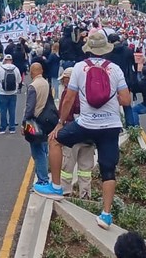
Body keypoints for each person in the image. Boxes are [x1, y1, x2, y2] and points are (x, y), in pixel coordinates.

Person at [37, 30, 132, 232]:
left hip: (86, 123)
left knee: (54, 140)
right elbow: (126, 100)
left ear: (88, 49)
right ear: (106, 50)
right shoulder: (115, 69)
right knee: (108, 170)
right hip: (110, 126)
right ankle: (106, 215)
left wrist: (61, 122)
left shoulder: (79, 68)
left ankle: (55, 187)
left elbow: (70, 98)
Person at [54, 68, 95, 198]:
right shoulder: (88, 91)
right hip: (89, 135)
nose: (63, 82)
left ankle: (66, 192)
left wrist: (60, 125)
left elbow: (64, 113)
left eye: (65, 79)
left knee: (67, 167)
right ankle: (85, 194)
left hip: (72, 135)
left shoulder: (69, 93)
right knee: (86, 169)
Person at [23, 62, 56, 184]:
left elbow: (29, 108)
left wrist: (24, 124)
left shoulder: (33, 86)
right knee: (43, 149)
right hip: (47, 120)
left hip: (35, 122)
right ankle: (44, 175)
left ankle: (42, 179)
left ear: (32, 72)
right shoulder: (46, 83)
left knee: (37, 152)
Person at [0, 54, 22, 134]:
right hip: (13, 93)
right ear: (11, 60)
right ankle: (12, 128)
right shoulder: (16, 68)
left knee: (3, 111)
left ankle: (3, 128)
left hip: (3, 93)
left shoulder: (0, 69)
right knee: (12, 111)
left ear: (4, 60)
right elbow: (19, 80)